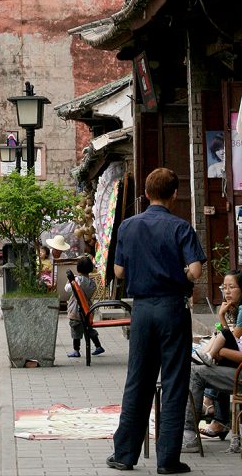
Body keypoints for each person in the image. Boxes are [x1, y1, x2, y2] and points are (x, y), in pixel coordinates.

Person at [107, 167, 205, 475]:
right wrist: (181, 274)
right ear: (174, 195)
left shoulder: (127, 227)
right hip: (172, 308)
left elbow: (119, 272)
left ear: (147, 194)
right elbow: (196, 271)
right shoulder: (181, 228)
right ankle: (167, 460)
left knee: (138, 380)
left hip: (142, 310)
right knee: (174, 381)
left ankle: (124, 454)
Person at [185, 270, 242, 446]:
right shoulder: (237, 309)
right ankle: (217, 418)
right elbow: (231, 338)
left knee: (197, 372)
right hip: (237, 370)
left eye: (232, 287)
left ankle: (188, 431)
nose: (227, 292)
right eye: (224, 288)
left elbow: (233, 343)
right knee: (207, 365)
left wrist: (221, 352)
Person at [64, 254, 105, 358]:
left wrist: (70, 281)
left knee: (76, 329)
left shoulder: (77, 280)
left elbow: (67, 288)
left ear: (78, 269)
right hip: (88, 309)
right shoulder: (92, 283)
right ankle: (98, 346)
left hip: (76, 309)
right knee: (89, 329)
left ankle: (76, 350)